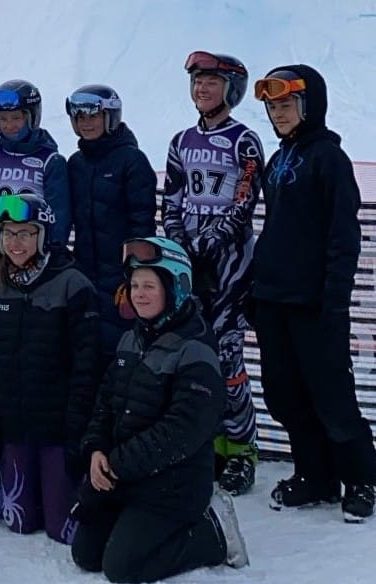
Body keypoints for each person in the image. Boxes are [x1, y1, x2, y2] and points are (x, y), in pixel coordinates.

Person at [71, 237, 248, 583]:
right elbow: (105, 403)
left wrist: (116, 463)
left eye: (149, 286)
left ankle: (213, 534)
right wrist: (95, 450)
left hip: (174, 487)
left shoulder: (196, 349)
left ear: (175, 288)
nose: (138, 294)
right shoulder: (131, 338)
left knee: (123, 567)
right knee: (86, 554)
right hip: (129, 478)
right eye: (135, 285)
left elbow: (182, 431)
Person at [251, 65, 376, 522]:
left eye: (287, 105)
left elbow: (344, 237)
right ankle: (315, 475)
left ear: (310, 106)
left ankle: (361, 479)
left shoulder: (329, 159)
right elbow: (275, 230)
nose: (278, 114)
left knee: (332, 396)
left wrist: (334, 300)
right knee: (284, 395)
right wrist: (256, 289)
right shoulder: (278, 159)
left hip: (314, 303)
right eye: (273, 107)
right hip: (273, 300)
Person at [160, 52, 265, 496]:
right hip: (191, 263)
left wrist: (212, 241)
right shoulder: (181, 141)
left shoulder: (245, 141)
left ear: (230, 90)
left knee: (227, 356)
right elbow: (172, 199)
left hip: (229, 267)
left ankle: (242, 447)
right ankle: (213, 441)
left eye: (211, 82)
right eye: (197, 82)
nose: (202, 89)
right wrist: (179, 242)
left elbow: (245, 199)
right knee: (195, 357)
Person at [0, 193, 100, 543]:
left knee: (63, 530)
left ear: (42, 236)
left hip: (58, 430)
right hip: (16, 427)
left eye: (25, 233)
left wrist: (78, 431)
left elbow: (87, 367)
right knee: (19, 523)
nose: (15, 243)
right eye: (7, 233)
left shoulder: (72, 284)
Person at [64, 85, 157, 360]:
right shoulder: (76, 164)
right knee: (85, 350)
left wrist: (134, 277)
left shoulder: (131, 161)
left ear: (110, 118)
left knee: (119, 351)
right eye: (80, 118)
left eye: (93, 116)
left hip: (119, 277)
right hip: (85, 274)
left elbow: (142, 223)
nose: (86, 124)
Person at [0, 79, 71, 287]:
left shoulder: (51, 161)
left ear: (31, 117)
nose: (9, 125)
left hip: (35, 264)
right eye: (2, 119)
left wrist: (45, 261)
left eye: (16, 118)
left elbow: (58, 218)